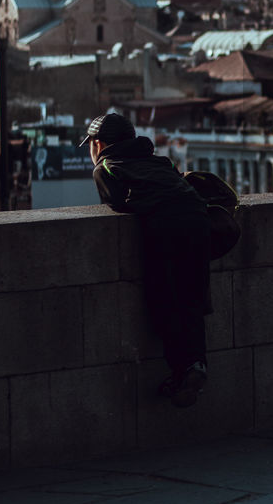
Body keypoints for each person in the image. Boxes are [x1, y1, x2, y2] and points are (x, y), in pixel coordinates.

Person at [81, 112, 214, 408]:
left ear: (98, 145)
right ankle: (197, 365)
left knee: (166, 298)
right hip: (198, 220)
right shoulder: (159, 161)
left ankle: (181, 371)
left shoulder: (106, 167)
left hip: (166, 227)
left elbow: (118, 203)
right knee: (192, 297)